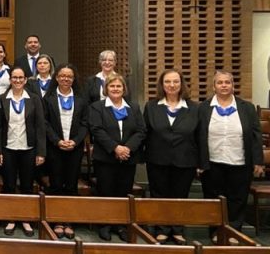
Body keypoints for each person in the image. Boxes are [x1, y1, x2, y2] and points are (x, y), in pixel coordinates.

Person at [198, 70, 264, 237]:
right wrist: (199, 161)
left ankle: (234, 232)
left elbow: (256, 136)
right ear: (214, 86)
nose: (224, 85)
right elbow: (197, 136)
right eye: (220, 82)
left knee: (237, 199)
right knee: (214, 199)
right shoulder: (204, 108)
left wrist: (258, 161)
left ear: (233, 85)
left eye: (227, 82)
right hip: (212, 162)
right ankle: (216, 232)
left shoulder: (246, 108)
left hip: (240, 161)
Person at [144, 69, 198, 245]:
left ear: (182, 84)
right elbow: (145, 133)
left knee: (180, 196)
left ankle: (177, 229)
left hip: (185, 160)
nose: (172, 85)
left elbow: (199, 136)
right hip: (157, 160)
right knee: (159, 195)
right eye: (167, 82)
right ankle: (162, 229)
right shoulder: (151, 106)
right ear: (162, 85)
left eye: (175, 81)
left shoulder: (194, 108)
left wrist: (201, 162)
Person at [89, 73, 146, 242]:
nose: (115, 89)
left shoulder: (133, 108)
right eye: (112, 86)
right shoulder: (97, 107)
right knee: (106, 192)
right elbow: (96, 129)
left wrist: (127, 148)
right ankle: (105, 225)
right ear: (106, 89)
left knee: (123, 192)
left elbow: (141, 131)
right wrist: (115, 147)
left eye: (118, 86)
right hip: (106, 157)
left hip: (128, 157)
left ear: (124, 89)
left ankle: (121, 225)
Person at [0, 67, 45, 237]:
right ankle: (11, 218)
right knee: (9, 185)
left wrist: (41, 152)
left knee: (27, 186)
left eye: (20, 78)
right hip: (8, 148)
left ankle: (26, 219)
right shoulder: (2, 99)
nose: (17, 80)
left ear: (25, 80)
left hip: (28, 148)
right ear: (10, 80)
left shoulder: (34, 99)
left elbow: (40, 127)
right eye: (14, 77)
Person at [42, 63, 88, 240]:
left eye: (69, 76)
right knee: (55, 184)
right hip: (55, 148)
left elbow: (85, 124)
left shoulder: (81, 100)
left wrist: (75, 142)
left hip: (74, 148)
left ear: (74, 79)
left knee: (71, 185)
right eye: (62, 76)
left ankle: (68, 221)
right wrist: (57, 141)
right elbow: (45, 123)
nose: (65, 79)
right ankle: (56, 221)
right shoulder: (48, 99)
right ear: (56, 78)